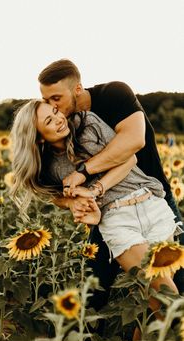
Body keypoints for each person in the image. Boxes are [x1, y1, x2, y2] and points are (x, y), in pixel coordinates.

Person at [10, 99, 180, 325]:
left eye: (55, 111)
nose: (59, 119)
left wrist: (94, 188)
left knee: (154, 305)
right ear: (39, 136)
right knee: (169, 299)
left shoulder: (86, 123)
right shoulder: (50, 167)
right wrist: (73, 203)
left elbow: (129, 157)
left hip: (153, 204)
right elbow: (56, 196)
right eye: (49, 121)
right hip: (117, 220)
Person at [37, 59, 184, 294]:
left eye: (56, 99)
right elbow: (49, 183)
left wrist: (83, 173)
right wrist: (71, 200)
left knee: (172, 283)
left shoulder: (114, 94)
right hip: (109, 210)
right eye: (46, 100)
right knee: (96, 285)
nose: (52, 106)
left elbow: (134, 141)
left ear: (77, 89)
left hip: (153, 195)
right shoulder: (66, 125)